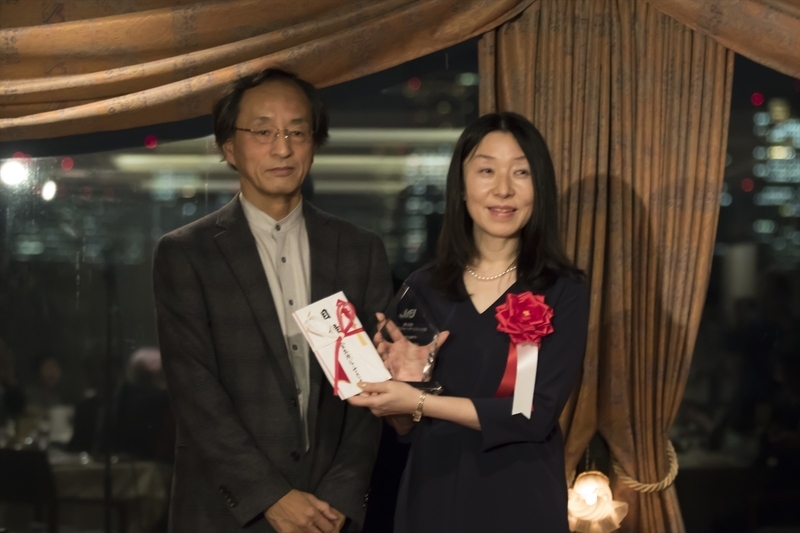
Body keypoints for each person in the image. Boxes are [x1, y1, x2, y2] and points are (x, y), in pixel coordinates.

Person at [153, 68, 392, 533]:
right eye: (263, 132)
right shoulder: (187, 253)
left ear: (314, 143)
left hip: (329, 515)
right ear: (229, 148)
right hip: (226, 512)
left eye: (297, 132)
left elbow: (368, 386)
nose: (282, 148)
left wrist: (340, 494)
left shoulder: (357, 250)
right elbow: (195, 392)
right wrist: (273, 497)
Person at [349, 112, 589, 532]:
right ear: (460, 186)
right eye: (486, 171)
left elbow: (531, 415)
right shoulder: (422, 286)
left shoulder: (562, 290)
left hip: (520, 501)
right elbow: (403, 426)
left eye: (521, 172)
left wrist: (420, 402)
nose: (503, 189)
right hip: (432, 495)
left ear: (540, 188)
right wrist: (401, 385)